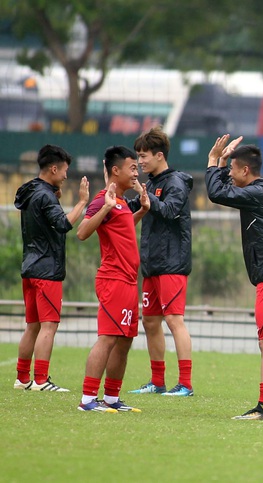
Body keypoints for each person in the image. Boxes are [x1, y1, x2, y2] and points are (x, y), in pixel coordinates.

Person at [205, 134, 263, 421]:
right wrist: (222, 162)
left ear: (246, 170)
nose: (230, 175)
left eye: (232, 169)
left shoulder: (256, 193)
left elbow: (217, 193)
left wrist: (212, 161)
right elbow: (223, 188)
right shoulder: (262, 191)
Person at [76, 146, 149, 413]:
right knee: (107, 338)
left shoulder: (119, 202)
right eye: (132, 167)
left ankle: (111, 398)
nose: (136, 172)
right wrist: (104, 207)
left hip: (129, 281)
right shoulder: (103, 199)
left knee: (125, 339)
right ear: (115, 171)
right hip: (113, 280)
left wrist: (141, 211)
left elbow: (122, 229)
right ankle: (87, 400)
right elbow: (82, 232)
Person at [13, 145, 89, 392]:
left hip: (30, 267)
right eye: (65, 170)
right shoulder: (45, 195)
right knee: (48, 325)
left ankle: (22, 378)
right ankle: (42, 380)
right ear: (54, 168)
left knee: (32, 325)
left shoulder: (32, 191)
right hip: (47, 271)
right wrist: (82, 203)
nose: (67, 175)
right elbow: (63, 224)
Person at [127, 126, 195, 397]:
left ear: (158, 155)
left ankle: (186, 384)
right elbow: (135, 208)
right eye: (137, 157)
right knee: (150, 321)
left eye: (143, 156)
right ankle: (157, 382)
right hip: (152, 264)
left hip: (172, 263)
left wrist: (146, 200)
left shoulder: (175, 182)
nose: (140, 161)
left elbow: (169, 210)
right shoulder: (150, 184)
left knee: (174, 320)